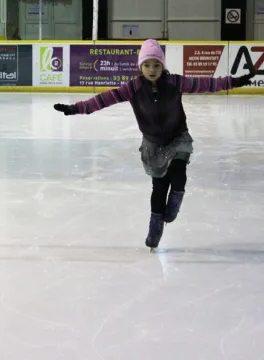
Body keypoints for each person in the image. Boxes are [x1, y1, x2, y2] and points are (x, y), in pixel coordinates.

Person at [53, 39, 255, 250]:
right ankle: (155, 227)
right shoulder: (132, 88)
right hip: (152, 145)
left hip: (178, 138)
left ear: (163, 66)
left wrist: (237, 81)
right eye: (147, 65)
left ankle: (174, 204)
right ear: (140, 67)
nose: (152, 69)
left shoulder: (175, 82)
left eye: (157, 65)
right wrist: (75, 108)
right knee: (158, 188)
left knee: (178, 173)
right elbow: (103, 100)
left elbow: (208, 84)